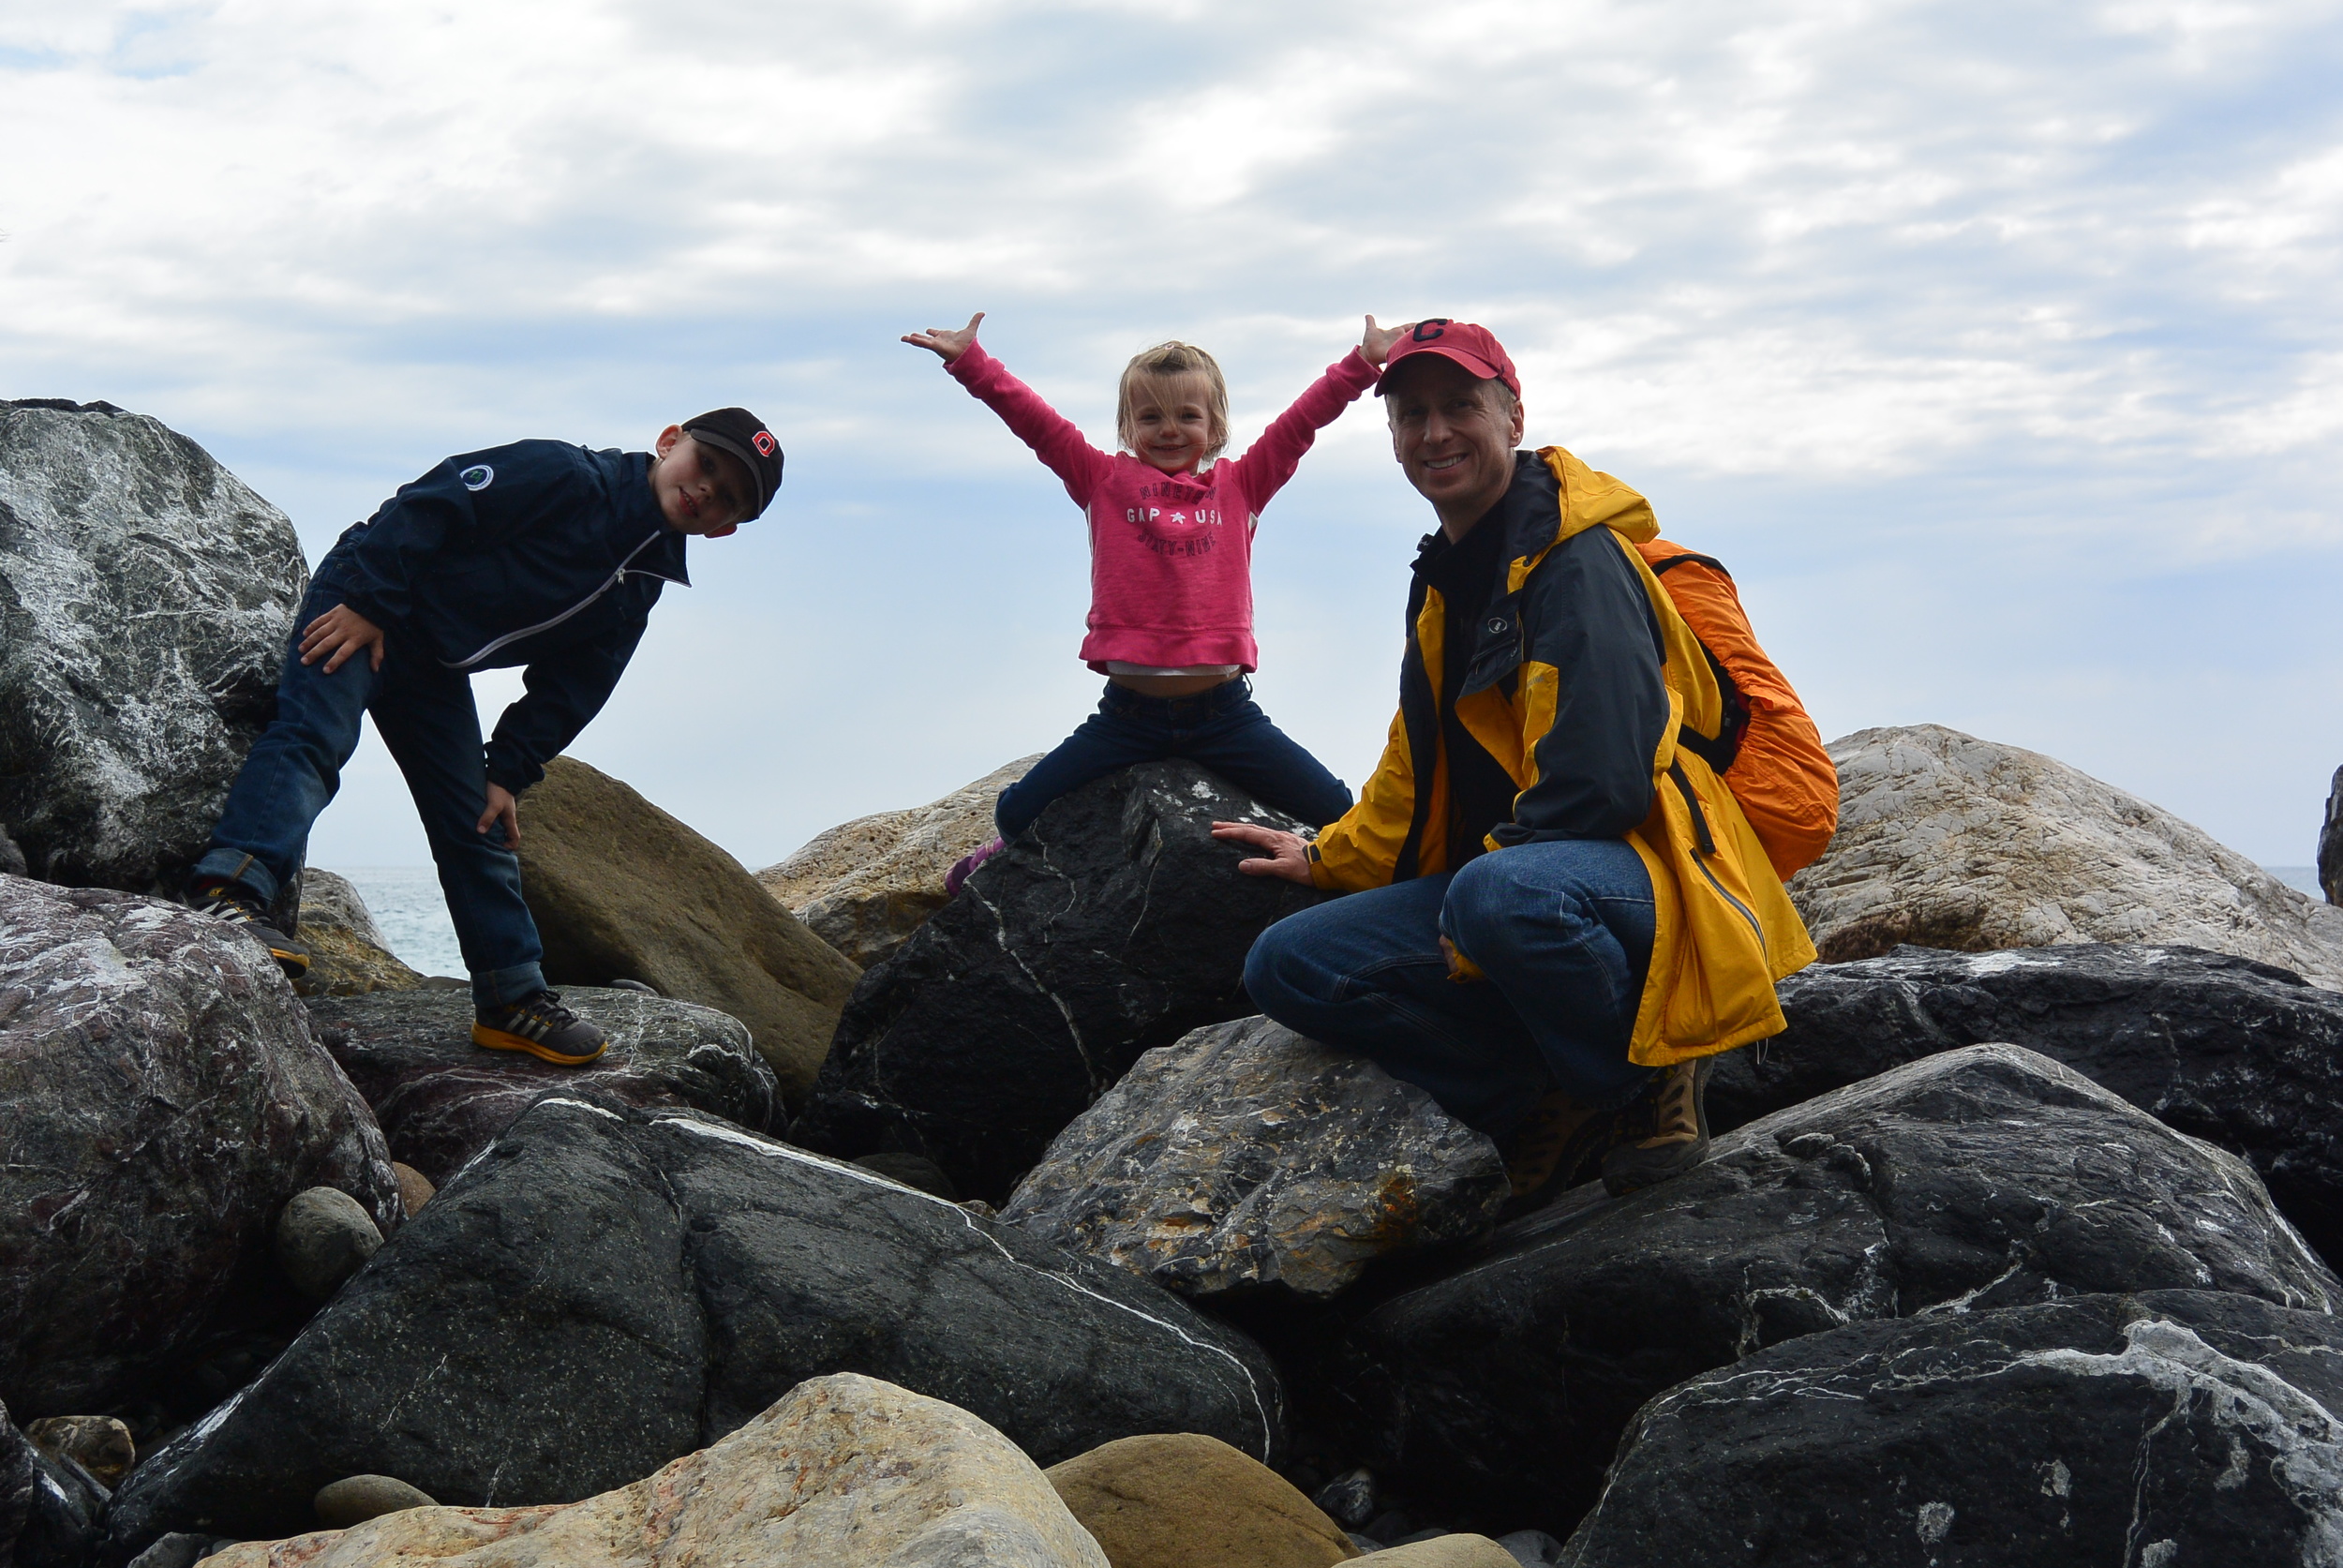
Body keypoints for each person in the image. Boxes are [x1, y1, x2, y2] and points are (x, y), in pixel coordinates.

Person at [1213, 321, 1815, 1202]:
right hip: (1539, 876)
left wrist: (1483, 881)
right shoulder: (1450, 576)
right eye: (1411, 415)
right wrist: (1326, 857)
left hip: (1657, 874)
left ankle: (1650, 1076)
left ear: (1514, 416)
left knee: (1496, 897)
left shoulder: (1579, 559)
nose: (1435, 433)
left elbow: (1603, 776)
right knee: (1287, 964)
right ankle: (1540, 1097)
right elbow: (1417, 766)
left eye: (1461, 406)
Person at [185, 410, 783, 1067]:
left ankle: (510, 999)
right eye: (706, 466)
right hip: (368, 602)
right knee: (316, 738)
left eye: (727, 498)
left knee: (480, 824)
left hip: (432, 663)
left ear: (726, 528)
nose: (706, 491)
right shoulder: (570, 475)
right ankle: (232, 894)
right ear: (670, 443)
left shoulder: (640, 585)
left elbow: (575, 686)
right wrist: (369, 600)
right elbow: (434, 501)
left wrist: (508, 771)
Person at [901, 312, 1396, 889]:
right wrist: (971, 363)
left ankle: (1354, 879)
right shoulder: (1102, 481)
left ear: (1215, 427)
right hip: (1127, 719)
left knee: (1338, 809)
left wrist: (1361, 365)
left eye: (1188, 415)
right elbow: (1037, 424)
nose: (1168, 429)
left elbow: (1298, 425)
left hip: (1226, 717)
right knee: (1014, 812)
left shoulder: (1241, 486)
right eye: (1150, 416)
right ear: (1127, 426)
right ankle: (1003, 862)